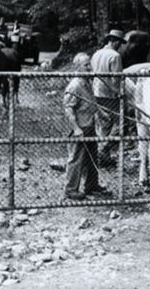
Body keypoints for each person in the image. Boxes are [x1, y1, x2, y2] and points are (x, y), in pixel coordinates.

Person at [63, 53, 107, 200]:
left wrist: (101, 113)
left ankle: (92, 185)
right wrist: (76, 128)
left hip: (89, 125)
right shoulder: (75, 86)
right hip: (79, 127)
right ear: (77, 67)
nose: (89, 68)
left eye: (89, 64)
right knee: (76, 158)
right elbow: (68, 109)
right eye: (86, 65)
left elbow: (92, 102)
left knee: (92, 157)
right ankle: (71, 189)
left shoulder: (87, 82)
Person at [91, 29, 126, 169]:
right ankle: (103, 149)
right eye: (120, 43)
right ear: (114, 41)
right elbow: (116, 78)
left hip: (96, 92)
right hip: (109, 93)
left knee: (104, 124)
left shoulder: (96, 53)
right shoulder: (115, 56)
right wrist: (120, 92)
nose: (120, 46)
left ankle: (103, 159)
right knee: (121, 124)